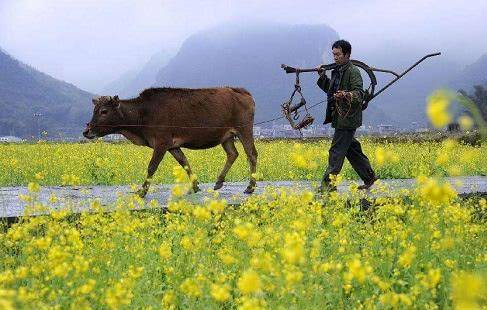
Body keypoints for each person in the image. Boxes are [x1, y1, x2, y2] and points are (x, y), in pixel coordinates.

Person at [316, 40, 377, 192]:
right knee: (352, 149)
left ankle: (328, 184)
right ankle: (369, 177)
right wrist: (322, 76)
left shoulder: (353, 71)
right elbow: (331, 90)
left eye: (338, 54)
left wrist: (346, 95)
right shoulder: (337, 71)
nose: (335, 58)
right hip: (339, 116)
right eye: (334, 55)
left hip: (348, 118)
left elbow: (359, 94)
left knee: (336, 151)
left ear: (347, 54)